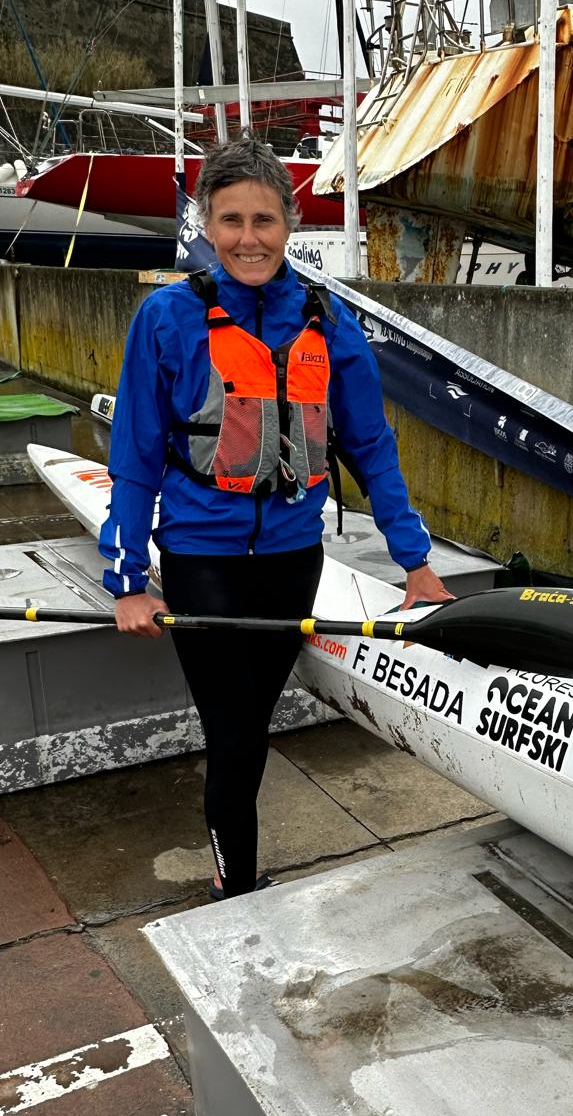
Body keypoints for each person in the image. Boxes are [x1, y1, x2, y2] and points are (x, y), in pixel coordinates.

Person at [100, 136, 451, 899]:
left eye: (264, 220)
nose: (248, 239)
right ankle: (238, 887)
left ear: (290, 223)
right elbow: (133, 457)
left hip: (294, 560)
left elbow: (371, 448)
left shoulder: (328, 319)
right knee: (233, 733)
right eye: (230, 220)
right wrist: (128, 579)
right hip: (202, 563)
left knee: (252, 723)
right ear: (206, 223)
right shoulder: (167, 317)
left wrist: (415, 563)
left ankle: (238, 863)